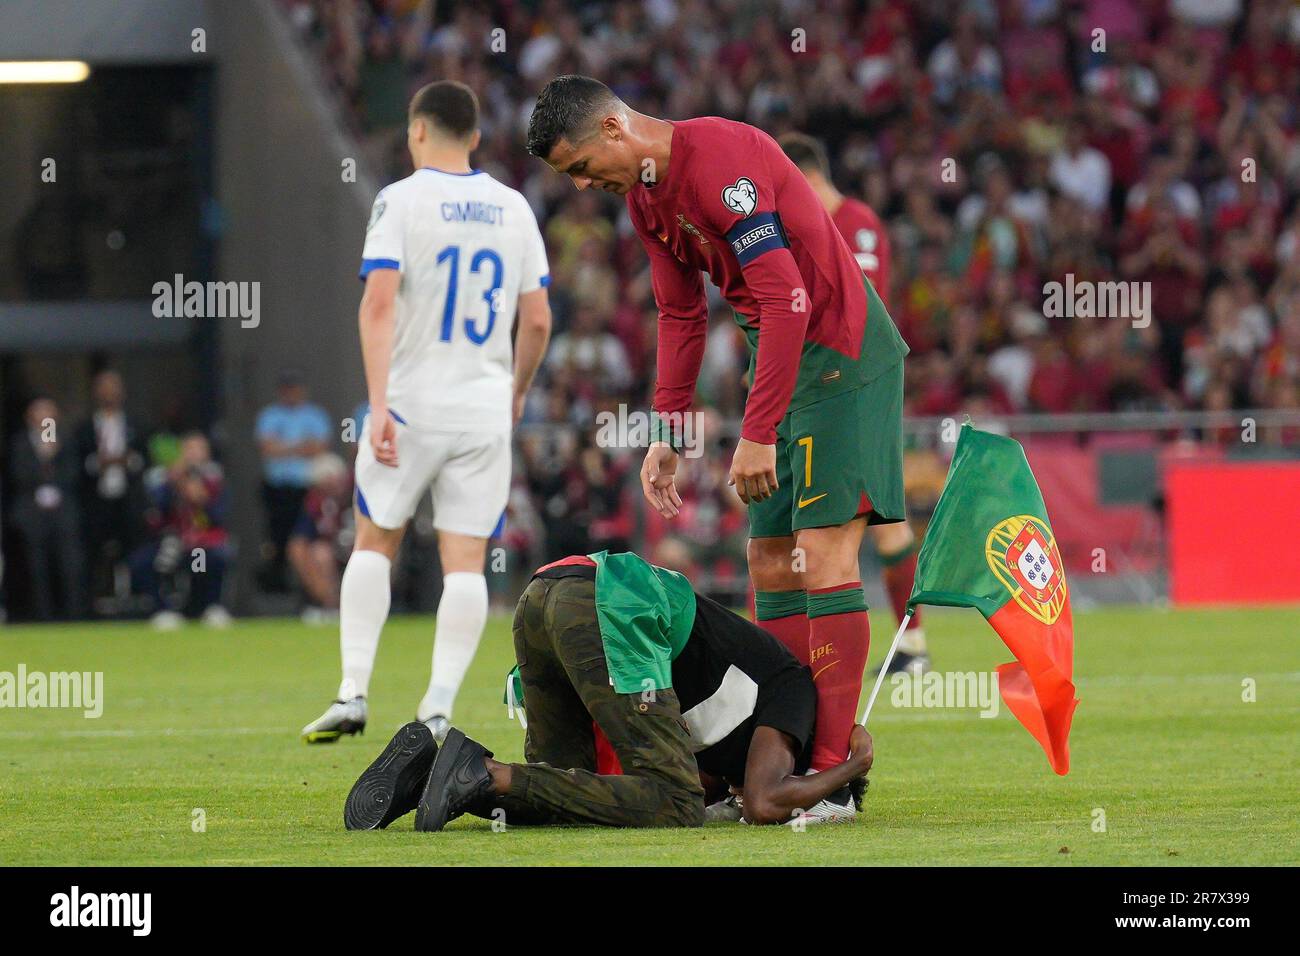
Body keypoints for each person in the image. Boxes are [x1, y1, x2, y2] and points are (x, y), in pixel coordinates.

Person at [525, 75, 908, 820]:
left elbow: (790, 296)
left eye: (578, 166)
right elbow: (678, 315)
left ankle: (833, 779)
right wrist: (670, 431)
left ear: (613, 128)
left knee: (824, 552)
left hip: (842, 357)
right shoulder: (644, 198)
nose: (579, 185)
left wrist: (757, 431)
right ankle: (779, 759)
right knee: (768, 559)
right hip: (785, 360)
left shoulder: (722, 162)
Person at [302, 80, 552, 743]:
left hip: (411, 404)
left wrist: (378, 404)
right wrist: (518, 389)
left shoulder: (399, 202)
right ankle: (437, 706)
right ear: (474, 137)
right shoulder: (513, 207)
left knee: (376, 539)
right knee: (466, 562)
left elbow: (378, 304)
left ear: (416, 132)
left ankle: (353, 691)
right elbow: (538, 319)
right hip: (482, 408)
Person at [343, 551, 873, 831]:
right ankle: (481, 772)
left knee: (568, 797)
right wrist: (849, 770)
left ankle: (424, 776)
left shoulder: (740, 725)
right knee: (676, 805)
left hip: (546, 594)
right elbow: (764, 801)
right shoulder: (794, 691)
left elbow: (720, 783)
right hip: (611, 606)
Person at [779, 132, 931, 675]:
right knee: (864, 522)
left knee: (871, 520)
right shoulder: (807, 224)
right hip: (818, 388)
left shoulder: (856, 221)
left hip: (854, 387)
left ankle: (908, 646)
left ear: (801, 175)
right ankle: (906, 647)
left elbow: (856, 306)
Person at [74, 369, 147, 611]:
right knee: (93, 554)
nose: (110, 393)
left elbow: (145, 459)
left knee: (133, 551)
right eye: (104, 387)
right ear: (96, 393)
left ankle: (136, 602)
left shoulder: (135, 424)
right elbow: (78, 464)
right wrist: (99, 462)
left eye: (114, 387)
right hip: (97, 501)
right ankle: (89, 607)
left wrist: (127, 461)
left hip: (128, 499)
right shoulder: (84, 428)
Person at [7, 398, 86, 621]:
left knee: (70, 564)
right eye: (39, 415)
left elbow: (74, 474)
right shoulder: (20, 442)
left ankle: (74, 615)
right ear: (30, 418)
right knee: (36, 569)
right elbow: (18, 476)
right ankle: (42, 617)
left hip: (63, 513)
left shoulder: (66, 441)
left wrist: (53, 455)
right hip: (32, 514)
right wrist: (43, 458)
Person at [255, 369, 331, 590]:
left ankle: (314, 594)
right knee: (277, 541)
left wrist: (284, 447)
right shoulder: (270, 415)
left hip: (307, 489)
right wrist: (301, 446)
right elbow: (267, 448)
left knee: (309, 540)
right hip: (277, 489)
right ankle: (279, 586)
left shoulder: (315, 415)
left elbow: (320, 448)